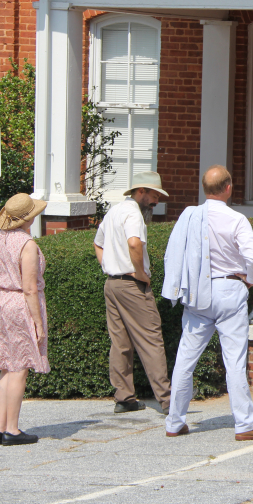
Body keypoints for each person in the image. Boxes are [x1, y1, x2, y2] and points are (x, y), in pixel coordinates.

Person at [161, 166, 253, 441]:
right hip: (228, 287)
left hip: (197, 288)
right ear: (228, 187)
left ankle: (175, 421)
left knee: (186, 358)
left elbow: (174, 251)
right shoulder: (236, 219)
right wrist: (250, 279)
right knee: (234, 360)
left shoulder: (189, 215)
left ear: (204, 189)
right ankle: (245, 424)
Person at [94, 171, 171, 414]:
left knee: (120, 343)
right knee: (151, 340)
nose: (157, 201)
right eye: (155, 195)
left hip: (112, 284)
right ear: (141, 192)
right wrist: (139, 273)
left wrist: (107, 266)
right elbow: (134, 243)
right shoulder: (133, 214)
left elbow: (98, 243)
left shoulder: (115, 211)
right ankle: (168, 401)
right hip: (130, 285)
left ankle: (124, 397)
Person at [0, 193, 50, 446]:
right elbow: (30, 287)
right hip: (19, 305)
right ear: (28, 218)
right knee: (20, 366)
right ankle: (12, 429)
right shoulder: (27, 244)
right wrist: (38, 322)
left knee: (5, 367)